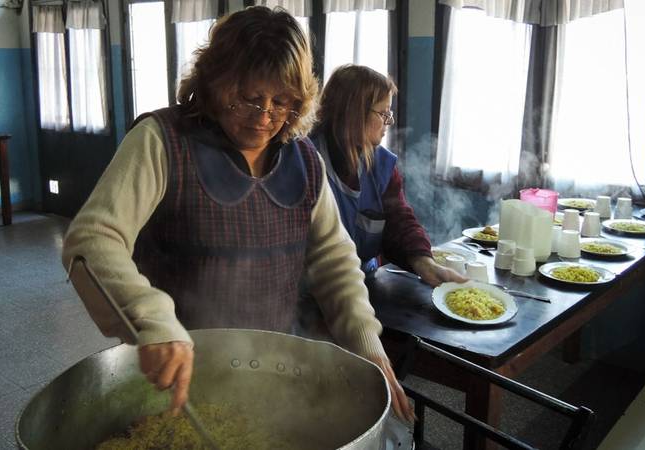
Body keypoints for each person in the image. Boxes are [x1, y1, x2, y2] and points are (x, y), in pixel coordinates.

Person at [61, 7, 413, 422]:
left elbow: (334, 260)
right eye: (248, 97)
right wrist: (152, 320)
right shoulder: (161, 141)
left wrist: (366, 343)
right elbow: (93, 240)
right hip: (176, 380)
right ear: (213, 81)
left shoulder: (304, 159)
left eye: (281, 101)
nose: (264, 116)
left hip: (273, 370)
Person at [310, 64, 465, 286]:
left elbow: (398, 219)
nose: (388, 123)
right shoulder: (305, 159)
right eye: (383, 114)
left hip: (364, 284)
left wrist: (424, 263)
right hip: (315, 291)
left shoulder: (381, 165)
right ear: (354, 111)